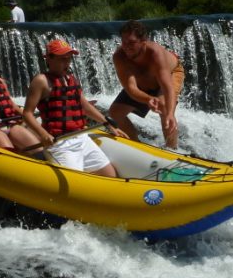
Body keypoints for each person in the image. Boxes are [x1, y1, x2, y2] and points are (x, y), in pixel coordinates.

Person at [22, 39, 126, 176]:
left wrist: (107, 124)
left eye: (69, 59)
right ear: (49, 59)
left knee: (109, 174)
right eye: (62, 59)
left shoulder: (70, 78)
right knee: (76, 180)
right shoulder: (41, 81)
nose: (67, 63)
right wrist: (43, 134)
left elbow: (85, 107)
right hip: (59, 143)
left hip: (80, 137)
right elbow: (27, 113)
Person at [108, 19, 185, 148]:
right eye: (124, 42)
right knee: (115, 112)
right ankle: (136, 146)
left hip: (172, 73)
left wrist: (170, 113)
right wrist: (148, 99)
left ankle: (173, 150)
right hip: (144, 81)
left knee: (164, 107)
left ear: (143, 41)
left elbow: (167, 87)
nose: (126, 46)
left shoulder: (155, 53)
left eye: (132, 42)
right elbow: (131, 88)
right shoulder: (119, 57)